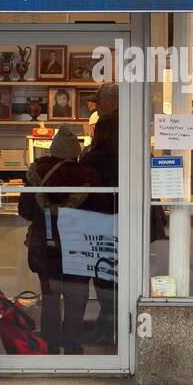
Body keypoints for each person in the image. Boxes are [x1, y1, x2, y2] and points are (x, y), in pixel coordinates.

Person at [17, 126, 97, 354]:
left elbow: (25, 209)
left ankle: (50, 345)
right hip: (79, 244)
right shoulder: (88, 175)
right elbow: (98, 213)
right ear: (75, 151)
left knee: (50, 296)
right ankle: (73, 344)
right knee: (77, 296)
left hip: (46, 244)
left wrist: (45, 216)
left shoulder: (37, 171)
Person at [79, 83, 119, 345]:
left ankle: (107, 325)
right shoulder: (123, 121)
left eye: (100, 101)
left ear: (112, 101)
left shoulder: (108, 124)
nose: (96, 106)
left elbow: (99, 161)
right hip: (115, 210)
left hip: (104, 211)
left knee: (103, 271)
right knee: (109, 272)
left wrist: (84, 157)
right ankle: (108, 324)